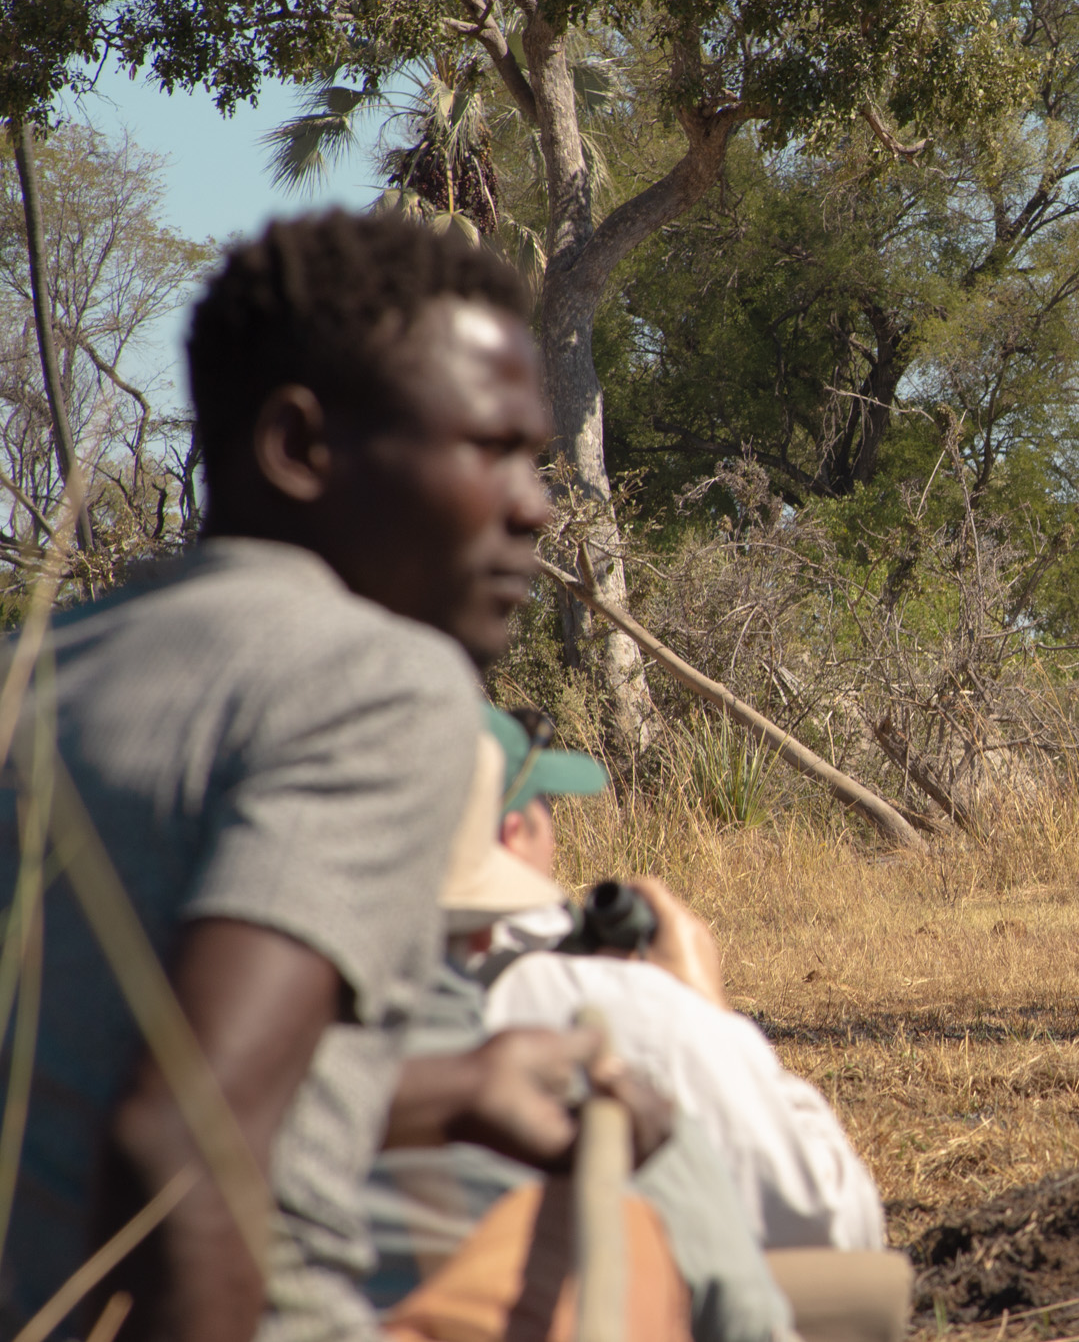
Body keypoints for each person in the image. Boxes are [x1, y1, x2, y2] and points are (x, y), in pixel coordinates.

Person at [0, 211, 662, 1342]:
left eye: (540, 461)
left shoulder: (42, 675)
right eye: (490, 448)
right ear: (300, 448)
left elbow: (94, 1091)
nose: (534, 505)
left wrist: (459, 1090)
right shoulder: (379, 680)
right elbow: (178, 1150)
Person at [478, 709, 911, 1342]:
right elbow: (831, 1220)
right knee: (868, 1295)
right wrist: (710, 1012)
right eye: (547, 807)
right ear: (514, 832)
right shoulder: (631, 1009)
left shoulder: (305, 1004)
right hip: (570, 1307)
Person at [365, 707, 793, 1342]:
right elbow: (779, 1278)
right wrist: (705, 1009)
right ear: (484, 915)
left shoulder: (206, 1098)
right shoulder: (608, 1108)